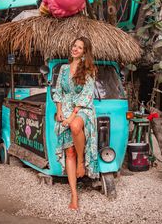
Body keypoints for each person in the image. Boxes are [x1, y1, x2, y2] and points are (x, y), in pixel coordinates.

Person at [53, 36, 99, 211]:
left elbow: (87, 95)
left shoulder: (89, 70)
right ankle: (74, 195)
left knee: (75, 126)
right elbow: (58, 91)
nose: (75, 49)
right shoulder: (63, 69)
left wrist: (72, 115)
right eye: (74, 46)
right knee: (68, 152)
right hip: (64, 109)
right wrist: (58, 111)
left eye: (79, 47)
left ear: (85, 52)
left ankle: (82, 162)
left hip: (82, 108)